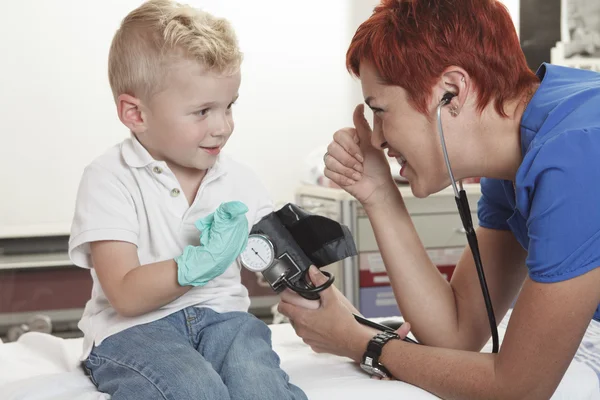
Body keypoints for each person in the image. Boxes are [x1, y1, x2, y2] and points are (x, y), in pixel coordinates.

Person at [278, 0, 600, 398]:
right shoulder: (519, 158)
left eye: (380, 111)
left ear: (452, 91)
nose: (376, 138)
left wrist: (362, 342)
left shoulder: (578, 155)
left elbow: (519, 388)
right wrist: (378, 194)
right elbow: (457, 333)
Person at [68, 1, 307, 399]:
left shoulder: (239, 180)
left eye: (229, 106)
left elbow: (286, 266)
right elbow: (124, 294)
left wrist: (366, 332)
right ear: (135, 114)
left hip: (225, 322)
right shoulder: (108, 178)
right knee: (194, 389)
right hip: (133, 332)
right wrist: (198, 263)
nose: (223, 126)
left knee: (261, 388)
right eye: (202, 112)